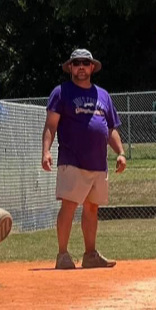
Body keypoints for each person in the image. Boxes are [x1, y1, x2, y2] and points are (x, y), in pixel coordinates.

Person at [42, 48, 126, 270]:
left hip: (98, 162)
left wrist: (120, 152)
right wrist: (46, 151)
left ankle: (90, 255)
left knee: (92, 208)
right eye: (77, 63)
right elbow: (51, 125)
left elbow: (110, 128)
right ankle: (62, 255)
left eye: (85, 63)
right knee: (69, 205)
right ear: (70, 67)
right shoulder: (61, 92)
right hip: (72, 159)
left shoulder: (103, 95)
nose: (81, 67)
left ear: (92, 67)